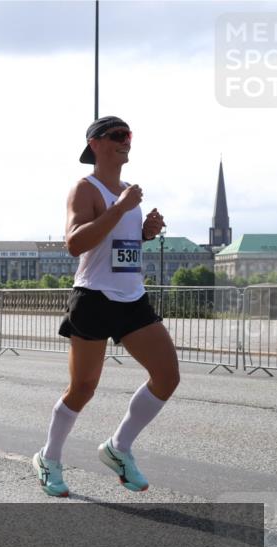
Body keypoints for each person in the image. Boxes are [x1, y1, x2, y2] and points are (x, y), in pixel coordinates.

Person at [32, 116, 178, 498]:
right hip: (94, 298)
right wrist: (120, 208)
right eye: (116, 136)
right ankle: (49, 457)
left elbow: (117, 246)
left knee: (167, 376)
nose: (125, 141)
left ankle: (119, 447)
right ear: (94, 144)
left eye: (128, 136)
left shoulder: (129, 191)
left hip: (132, 298)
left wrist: (144, 232)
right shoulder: (86, 188)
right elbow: (76, 243)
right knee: (82, 388)